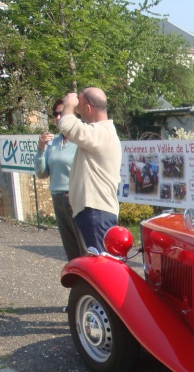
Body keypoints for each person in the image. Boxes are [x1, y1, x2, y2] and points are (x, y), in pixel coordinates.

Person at [57, 87, 122, 254]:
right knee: (94, 264)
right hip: (95, 211)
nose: (78, 112)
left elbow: (66, 125)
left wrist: (69, 104)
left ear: (88, 108)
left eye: (80, 108)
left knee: (100, 267)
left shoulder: (101, 133)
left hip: (96, 211)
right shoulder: (101, 133)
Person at [34, 99, 84, 261]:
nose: (57, 117)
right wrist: (41, 148)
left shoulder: (81, 141)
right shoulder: (53, 143)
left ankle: (91, 284)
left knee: (85, 247)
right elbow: (42, 173)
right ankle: (78, 284)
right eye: (54, 114)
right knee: (70, 248)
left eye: (61, 113)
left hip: (76, 197)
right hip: (57, 197)